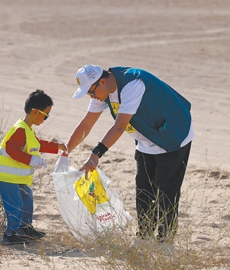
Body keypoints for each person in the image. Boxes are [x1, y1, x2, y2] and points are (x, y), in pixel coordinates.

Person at [64, 65, 194, 242]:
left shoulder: (133, 84)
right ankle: (144, 236)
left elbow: (119, 126)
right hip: (146, 140)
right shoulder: (103, 90)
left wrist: (96, 154)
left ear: (102, 82)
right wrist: (66, 151)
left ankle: (166, 240)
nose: (92, 97)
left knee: (166, 192)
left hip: (173, 135)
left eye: (91, 92)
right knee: (143, 190)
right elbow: (86, 124)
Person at [0, 89, 67, 245]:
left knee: (27, 200)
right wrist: (31, 160)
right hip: (6, 176)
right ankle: (10, 234)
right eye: (46, 115)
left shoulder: (28, 129)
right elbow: (12, 149)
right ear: (35, 112)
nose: (45, 119)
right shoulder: (20, 129)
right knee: (15, 205)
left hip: (18, 177)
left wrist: (56, 146)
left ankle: (25, 228)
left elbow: (37, 144)